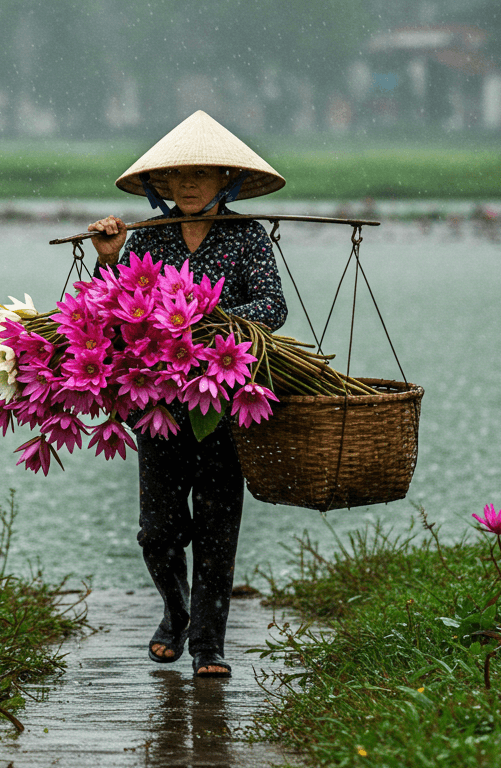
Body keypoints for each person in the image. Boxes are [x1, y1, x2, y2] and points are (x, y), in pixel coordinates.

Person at [85, 110, 287, 678]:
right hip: (158, 407)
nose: (191, 185)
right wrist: (108, 260)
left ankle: (207, 647)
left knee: (218, 528)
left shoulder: (246, 237)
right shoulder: (151, 240)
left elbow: (271, 309)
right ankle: (175, 613)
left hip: (226, 404)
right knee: (158, 531)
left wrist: (199, 323)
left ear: (226, 180)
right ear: (163, 187)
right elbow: (116, 313)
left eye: (203, 174)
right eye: (179, 176)